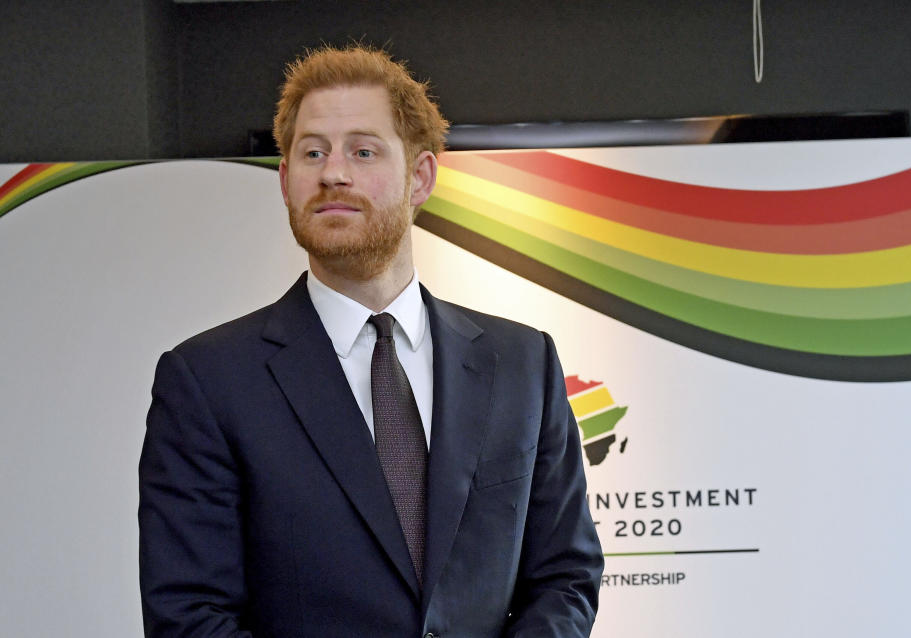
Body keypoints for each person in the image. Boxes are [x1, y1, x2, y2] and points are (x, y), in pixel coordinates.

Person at [138, 45, 603, 638]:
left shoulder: (522, 363)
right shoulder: (207, 381)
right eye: (312, 152)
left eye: (363, 150)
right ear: (285, 182)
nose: (333, 172)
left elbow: (565, 576)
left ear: (421, 177)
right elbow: (190, 615)